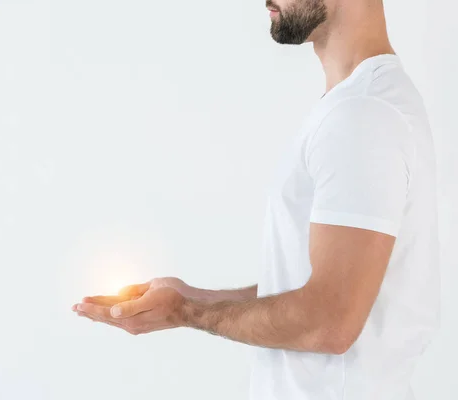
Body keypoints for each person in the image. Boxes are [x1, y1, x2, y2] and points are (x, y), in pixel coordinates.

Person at [72, 0, 440, 398]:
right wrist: (189, 298)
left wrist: (185, 312)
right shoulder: (361, 105)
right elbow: (315, 289)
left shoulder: (363, 115)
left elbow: (328, 321)